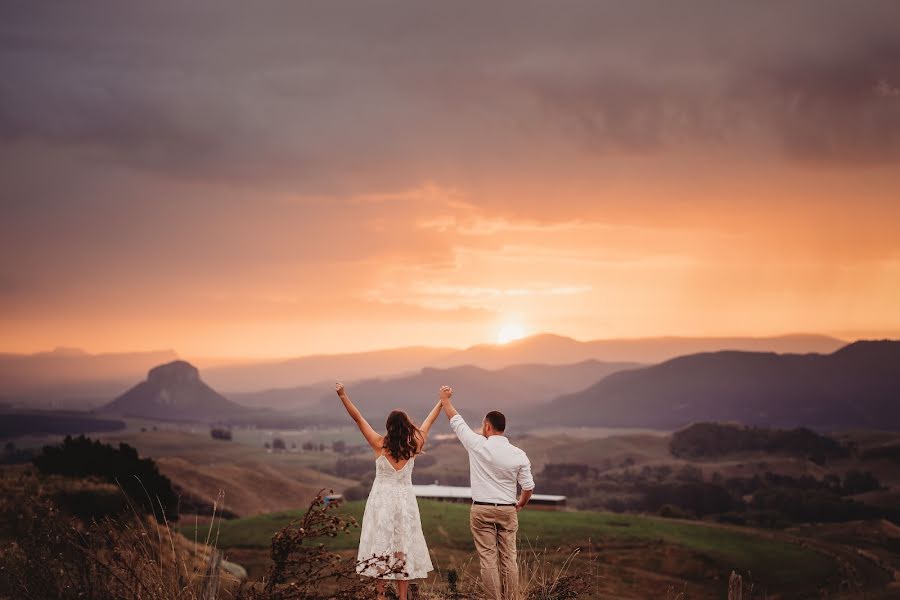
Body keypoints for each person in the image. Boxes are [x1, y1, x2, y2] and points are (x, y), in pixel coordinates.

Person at [335, 382, 439, 600]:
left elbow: (358, 418)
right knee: (401, 547)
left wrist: (343, 395)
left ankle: (381, 596)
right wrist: (442, 402)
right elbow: (429, 422)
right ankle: (402, 597)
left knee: (381, 546)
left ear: (389, 426)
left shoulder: (378, 444)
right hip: (405, 501)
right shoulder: (415, 444)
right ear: (407, 426)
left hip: (382, 500)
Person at [438, 385, 535, 600]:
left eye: (483, 424)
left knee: (488, 560)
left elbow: (457, 421)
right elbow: (528, 487)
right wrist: (520, 504)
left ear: (488, 426)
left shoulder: (477, 444)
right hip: (508, 509)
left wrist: (445, 399)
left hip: (481, 509)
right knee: (509, 559)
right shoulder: (519, 454)